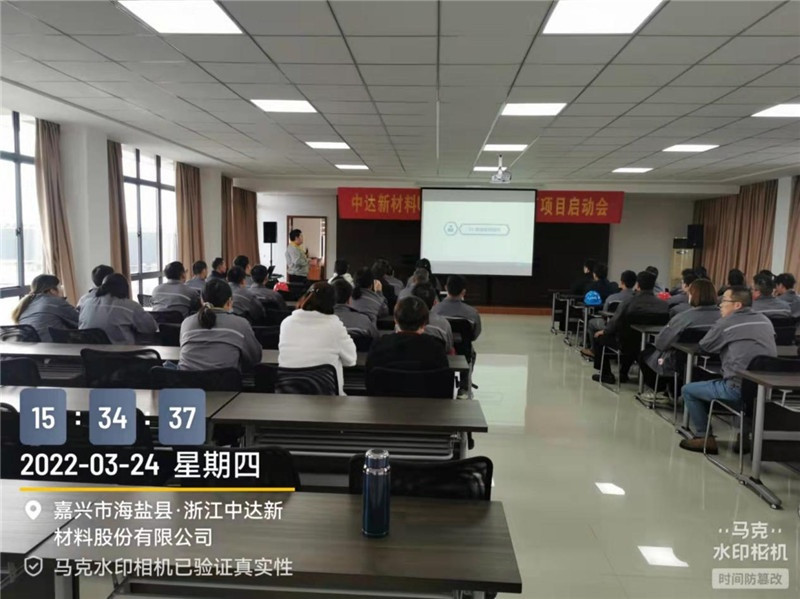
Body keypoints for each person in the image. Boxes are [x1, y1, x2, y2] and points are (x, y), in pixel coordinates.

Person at [679, 286, 777, 453]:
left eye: (724, 301)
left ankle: (704, 437)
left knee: (688, 390)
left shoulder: (726, 323)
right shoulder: (765, 320)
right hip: (766, 392)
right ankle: (745, 437)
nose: (720, 305)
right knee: (749, 395)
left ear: (737, 305)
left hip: (735, 389)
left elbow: (704, 346)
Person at [639, 279, 721, 394]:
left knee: (645, 354)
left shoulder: (683, 318)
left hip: (680, 363)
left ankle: (664, 390)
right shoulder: (724, 319)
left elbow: (661, 343)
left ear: (692, 296)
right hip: (717, 363)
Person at [590, 270, 669, 384]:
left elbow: (615, 321)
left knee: (600, 338)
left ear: (638, 285)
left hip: (624, 343)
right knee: (633, 340)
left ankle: (606, 374)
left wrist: (605, 331)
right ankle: (623, 372)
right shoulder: (664, 305)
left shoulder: (628, 303)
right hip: (650, 345)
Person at [278, 281, 357, 395]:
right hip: (326, 398)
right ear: (332, 303)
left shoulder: (286, 323)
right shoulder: (334, 326)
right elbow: (351, 360)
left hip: (289, 396)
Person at [177, 278, 261, 371]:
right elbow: (255, 358)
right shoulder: (241, 324)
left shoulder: (187, 323)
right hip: (225, 380)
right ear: (229, 302)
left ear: (201, 301)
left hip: (186, 379)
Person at [366, 296, 449, 373]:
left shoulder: (378, 346)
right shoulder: (437, 349)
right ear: (424, 323)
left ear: (395, 320)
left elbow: (370, 377)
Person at [79, 273, 158, 344]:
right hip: (119, 353)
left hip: (87, 352)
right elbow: (151, 328)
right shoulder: (130, 306)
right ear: (125, 288)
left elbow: (80, 325)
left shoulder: (86, 303)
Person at [582, 270, 637, 356]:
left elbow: (604, 314)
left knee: (591, 322)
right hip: (632, 330)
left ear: (622, 282)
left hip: (613, 326)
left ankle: (593, 350)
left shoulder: (612, 298)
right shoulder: (637, 299)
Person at [11, 274, 79, 342]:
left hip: (31, 347)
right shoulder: (56, 301)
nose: (62, 290)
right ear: (52, 290)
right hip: (54, 346)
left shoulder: (27, 305)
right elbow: (81, 320)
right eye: (60, 287)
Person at [431, 275, 482, 340]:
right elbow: (474, 336)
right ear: (463, 292)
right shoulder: (472, 313)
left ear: (446, 288)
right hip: (464, 346)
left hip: (441, 345)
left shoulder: (434, 311)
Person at [412, 283, 454, 353]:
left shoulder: (402, 322)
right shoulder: (444, 324)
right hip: (437, 358)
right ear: (434, 302)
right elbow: (448, 347)